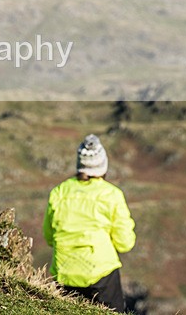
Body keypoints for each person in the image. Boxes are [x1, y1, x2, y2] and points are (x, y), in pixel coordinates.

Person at [43, 134, 136, 312]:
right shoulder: (112, 194)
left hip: (64, 273)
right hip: (101, 275)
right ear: (102, 165)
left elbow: (48, 236)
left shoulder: (59, 192)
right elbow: (125, 243)